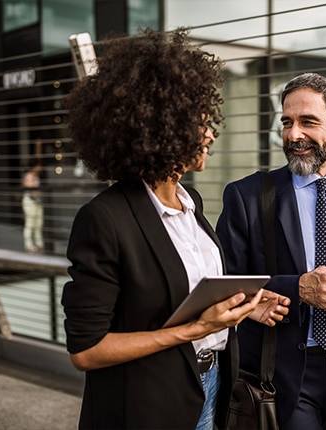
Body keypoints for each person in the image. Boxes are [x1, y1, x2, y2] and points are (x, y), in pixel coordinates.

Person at [61, 28, 288, 430]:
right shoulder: (105, 219)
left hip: (211, 385)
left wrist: (242, 306)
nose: (211, 133)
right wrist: (195, 329)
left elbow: (183, 293)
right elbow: (87, 351)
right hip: (148, 403)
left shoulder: (191, 202)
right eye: (200, 122)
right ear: (160, 127)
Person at [216, 72, 326, 430]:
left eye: (307, 122)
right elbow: (224, 283)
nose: (293, 134)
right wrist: (297, 288)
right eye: (287, 122)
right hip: (278, 375)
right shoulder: (247, 196)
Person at [22, 159, 44, 253]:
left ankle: (39, 244)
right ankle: (29, 245)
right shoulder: (29, 175)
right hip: (30, 202)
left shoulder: (36, 175)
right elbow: (29, 187)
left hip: (38, 202)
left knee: (38, 224)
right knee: (30, 224)